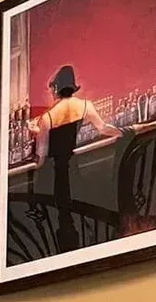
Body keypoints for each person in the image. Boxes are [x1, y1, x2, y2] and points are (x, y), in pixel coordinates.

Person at [33, 64, 121, 251]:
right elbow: (104, 128)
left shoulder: (47, 118)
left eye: (52, 90)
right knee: (77, 212)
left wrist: (35, 132)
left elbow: (41, 159)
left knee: (60, 217)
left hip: (53, 175)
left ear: (56, 88)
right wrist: (125, 132)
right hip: (73, 168)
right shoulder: (85, 106)